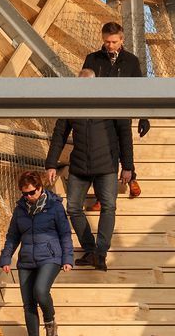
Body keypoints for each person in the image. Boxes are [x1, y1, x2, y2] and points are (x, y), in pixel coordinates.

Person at [45, 69, 132, 272]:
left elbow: (124, 134)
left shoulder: (110, 102)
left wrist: (128, 166)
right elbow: (59, 135)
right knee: (73, 207)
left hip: (106, 166)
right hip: (79, 166)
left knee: (109, 207)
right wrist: (51, 164)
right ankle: (90, 249)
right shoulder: (71, 105)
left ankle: (100, 253)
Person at [0, 171, 74, 336]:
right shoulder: (20, 210)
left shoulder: (54, 206)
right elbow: (12, 236)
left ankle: (49, 321)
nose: (28, 197)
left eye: (32, 192)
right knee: (28, 303)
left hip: (50, 257)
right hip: (26, 260)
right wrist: (6, 258)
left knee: (40, 291)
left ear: (40, 188)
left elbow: (65, 233)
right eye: (25, 193)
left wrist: (68, 258)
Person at [81, 21, 148, 198]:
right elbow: (83, 85)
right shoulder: (92, 59)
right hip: (99, 112)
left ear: (122, 40)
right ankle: (103, 195)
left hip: (122, 110)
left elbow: (140, 90)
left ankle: (130, 176)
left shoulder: (131, 61)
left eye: (114, 42)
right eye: (106, 41)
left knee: (123, 141)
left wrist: (144, 116)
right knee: (103, 150)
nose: (110, 45)